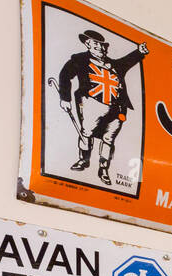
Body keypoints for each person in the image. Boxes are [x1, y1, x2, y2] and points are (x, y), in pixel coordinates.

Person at [55, 29, 148, 186]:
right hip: (91, 104)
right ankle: (83, 160)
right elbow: (65, 75)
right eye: (96, 44)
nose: (101, 48)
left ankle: (103, 169)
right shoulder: (79, 60)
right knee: (86, 133)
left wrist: (139, 52)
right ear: (87, 44)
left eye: (103, 45)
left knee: (109, 139)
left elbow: (128, 60)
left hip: (116, 108)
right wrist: (65, 98)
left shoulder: (114, 64)